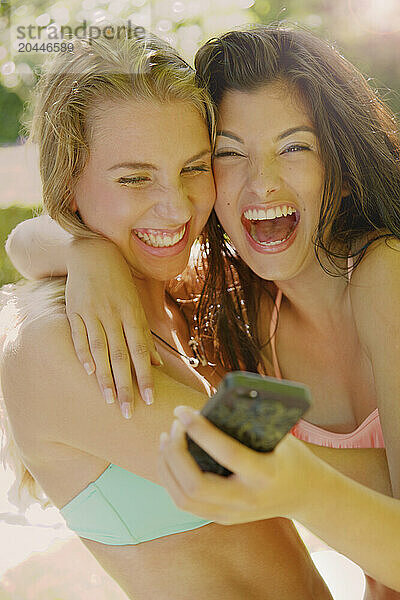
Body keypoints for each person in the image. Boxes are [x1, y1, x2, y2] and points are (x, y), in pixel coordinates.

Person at [5, 23, 400, 598]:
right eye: (135, 177)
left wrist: (80, 248)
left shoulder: (196, 305)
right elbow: (355, 482)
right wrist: (79, 245)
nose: (175, 205)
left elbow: (25, 240)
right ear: (68, 189)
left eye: (194, 168)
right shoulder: (60, 347)